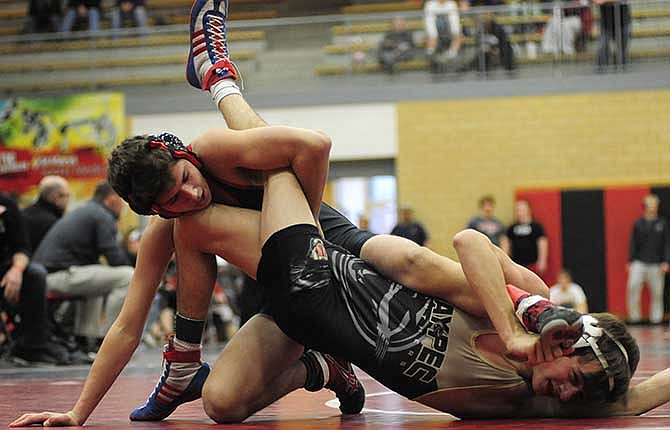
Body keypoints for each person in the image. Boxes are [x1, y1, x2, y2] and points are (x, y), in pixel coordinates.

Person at [32, 181, 133, 346]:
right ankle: (109, 340)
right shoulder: (101, 215)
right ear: (111, 199)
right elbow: (114, 256)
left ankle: (85, 340)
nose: (124, 205)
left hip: (47, 276)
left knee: (102, 279)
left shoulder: (87, 210)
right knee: (129, 276)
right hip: (55, 276)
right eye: (122, 200)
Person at [0, 192, 70, 365]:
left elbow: (22, 248)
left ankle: (31, 347)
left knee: (35, 274)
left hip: (4, 271)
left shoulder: (7, 204)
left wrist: (16, 270)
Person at [626, 194, 669, 325]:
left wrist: (666, 261)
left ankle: (656, 319)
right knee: (633, 288)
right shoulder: (638, 223)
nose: (653, 207)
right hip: (639, 262)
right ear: (645, 206)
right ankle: (635, 318)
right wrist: (630, 260)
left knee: (657, 293)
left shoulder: (662, 223)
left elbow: (667, 243)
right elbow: (633, 242)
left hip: (656, 263)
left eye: (655, 204)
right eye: (650, 204)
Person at [22, 175, 70, 253]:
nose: (68, 200)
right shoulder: (54, 223)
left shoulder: (23, 213)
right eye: (66, 195)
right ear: (56, 196)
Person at [503, 200, 548, 278]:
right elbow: (506, 243)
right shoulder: (512, 228)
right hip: (516, 264)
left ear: (529, 210)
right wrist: (505, 261)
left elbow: (542, 243)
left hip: (532, 264)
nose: (520, 212)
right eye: (518, 210)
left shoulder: (536, 227)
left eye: (522, 210)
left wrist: (542, 261)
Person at [594, 0, 631, 71]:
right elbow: (597, 1)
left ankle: (619, 63)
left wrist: (604, 1)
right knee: (602, 46)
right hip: (606, 24)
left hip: (623, 22)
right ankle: (603, 66)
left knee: (622, 47)